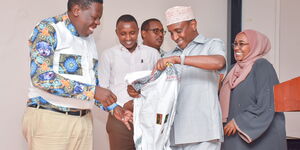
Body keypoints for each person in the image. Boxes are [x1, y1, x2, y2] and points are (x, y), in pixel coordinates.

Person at [22, 0, 130, 149]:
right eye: (94, 17)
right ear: (77, 10)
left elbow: (91, 83)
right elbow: (41, 77)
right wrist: (92, 92)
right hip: (52, 120)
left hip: (83, 120)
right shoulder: (48, 29)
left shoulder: (89, 39)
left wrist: (112, 107)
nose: (98, 22)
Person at [129, 6, 226, 150]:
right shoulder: (167, 56)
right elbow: (156, 88)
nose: (174, 37)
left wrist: (178, 59)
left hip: (204, 133)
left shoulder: (212, 45)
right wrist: (136, 89)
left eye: (178, 31)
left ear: (193, 24)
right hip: (173, 134)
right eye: (171, 32)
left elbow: (218, 62)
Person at [99, 14, 160, 150]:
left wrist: (138, 101)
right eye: (123, 34)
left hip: (147, 116)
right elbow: (103, 89)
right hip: (119, 118)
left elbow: (159, 86)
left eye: (132, 33)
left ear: (138, 31)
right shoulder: (108, 55)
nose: (128, 38)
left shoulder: (152, 54)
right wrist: (121, 105)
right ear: (116, 33)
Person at [219, 29, 287, 150]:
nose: (236, 48)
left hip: (258, 137)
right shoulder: (232, 70)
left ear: (256, 46)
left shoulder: (262, 66)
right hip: (232, 135)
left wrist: (238, 122)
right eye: (235, 44)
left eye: (242, 44)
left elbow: (267, 103)